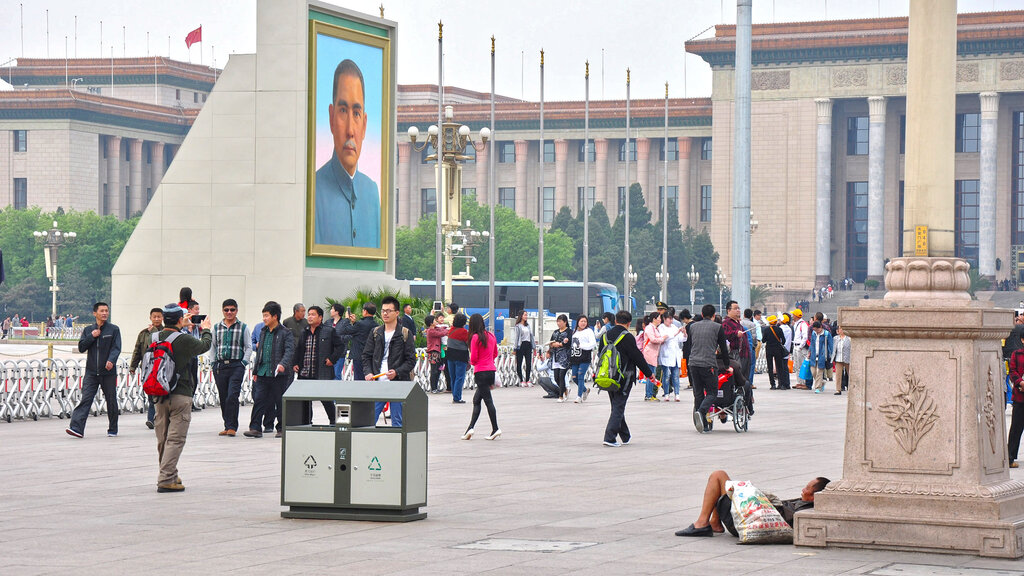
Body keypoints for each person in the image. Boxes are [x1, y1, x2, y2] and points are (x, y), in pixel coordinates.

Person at [314, 59, 380, 248]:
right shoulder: (313, 192)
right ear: (331, 117)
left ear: (365, 125)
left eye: (357, 114)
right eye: (343, 111)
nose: (350, 130)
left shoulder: (372, 193)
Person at [150, 303, 212, 493]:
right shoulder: (184, 340)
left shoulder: (153, 337)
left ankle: (170, 473)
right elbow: (204, 346)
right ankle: (166, 478)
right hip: (180, 394)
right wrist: (206, 330)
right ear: (179, 319)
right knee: (175, 439)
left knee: (163, 438)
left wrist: (180, 325)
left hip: (159, 394)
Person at [674, 470, 831, 537]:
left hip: (747, 522)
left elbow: (781, 515)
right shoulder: (802, 503)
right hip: (752, 516)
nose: (803, 490)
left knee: (718, 476)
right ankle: (714, 523)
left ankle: (703, 523)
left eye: (807, 489)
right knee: (727, 485)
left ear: (815, 496)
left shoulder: (804, 509)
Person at [66, 302, 122, 439]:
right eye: (102, 311)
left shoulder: (113, 330)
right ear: (94, 313)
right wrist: (92, 336)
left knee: (111, 400)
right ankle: (76, 428)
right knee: (86, 399)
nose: (104, 313)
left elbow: (116, 348)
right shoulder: (87, 330)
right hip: (91, 372)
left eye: (106, 311)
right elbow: (81, 347)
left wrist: (111, 360)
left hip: (108, 372)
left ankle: (113, 429)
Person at [600, 310, 654, 447]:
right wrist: (649, 374)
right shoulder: (628, 337)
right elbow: (637, 357)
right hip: (625, 377)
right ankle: (610, 437)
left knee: (616, 405)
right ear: (629, 323)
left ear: (616, 320)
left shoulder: (605, 336)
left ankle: (625, 435)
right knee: (618, 406)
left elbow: (601, 356)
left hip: (608, 376)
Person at [362, 296, 417, 427]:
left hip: (397, 383)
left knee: (397, 422)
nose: (385, 314)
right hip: (377, 382)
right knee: (369, 421)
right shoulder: (375, 332)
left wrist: (397, 372)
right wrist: (368, 372)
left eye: (389, 311)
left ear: (397, 313)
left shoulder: (405, 333)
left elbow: (411, 360)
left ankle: (397, 446)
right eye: (383, 311)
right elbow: (366, 356)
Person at [244, 302, 295, 439]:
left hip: (278, 374)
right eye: (263, 316)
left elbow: (289, 351)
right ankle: (255, 428)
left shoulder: (286, 332)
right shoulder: (263, 331)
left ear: (275, 316)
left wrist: (283, 364)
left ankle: (281, 428)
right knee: (259, 400)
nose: (264, 319)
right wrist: (255, 371)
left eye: (266, 316)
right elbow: (259, 352)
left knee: (279, 401)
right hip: (262, 372)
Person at [685, 304, 732, 433]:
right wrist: (727, 365)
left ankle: (703, 425)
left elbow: (689, 345)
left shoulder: (693, 327)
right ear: (713, 315)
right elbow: (723, 347)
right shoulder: (717, 327)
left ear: (701, 313)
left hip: (693, 364)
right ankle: (700, 411)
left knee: (698, 394)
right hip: (708, 364)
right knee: (712, 392)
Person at [294, 305, 345, 424]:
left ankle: (334, 421)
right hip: (305, 371)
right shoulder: (304, 332)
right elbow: (299, 349)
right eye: (309, 314)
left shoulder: (329, 331)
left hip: (322, 371)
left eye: (313, 314)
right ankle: (306, 422)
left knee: (325, 398)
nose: (310, 317)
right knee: (305, 400)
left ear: (320, 317)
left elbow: (340, 346)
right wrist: (296, 363)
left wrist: (332, 359)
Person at [210, 299, 252, 436]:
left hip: (236, 366)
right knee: (223, 396)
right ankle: (227, 425)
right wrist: (213, 363)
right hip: (220, 366)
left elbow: (248, 347)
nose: (229, 312)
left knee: (232, 395)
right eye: (226, 310)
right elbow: (213, 347)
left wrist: (243, 363)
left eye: (232, 310)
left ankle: (233, 426)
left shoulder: (243, 327)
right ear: (222, 311)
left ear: (236, 310)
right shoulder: (216, 328)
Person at [462, 313, 501, 440]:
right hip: (491, 371)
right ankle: (470, 428)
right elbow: (495, 353)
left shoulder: (474, 337)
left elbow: (473, 358)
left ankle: (495, 428)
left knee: (488, 401)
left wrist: (474, 363)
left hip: (480, 372)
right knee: (476, 400)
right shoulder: (491, 335)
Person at [129, 307, 164, 429]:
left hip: (162, 369)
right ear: (150, 317)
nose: (156, 319)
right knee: (150, 393)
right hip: (148, 369)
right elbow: (137, 350)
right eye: (154, 317)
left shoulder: (165, 332)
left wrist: (154, 331)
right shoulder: (143, 333)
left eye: (159, 316)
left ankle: (158, 418)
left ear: (163, 317)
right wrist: (133, 365)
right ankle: (151, 419)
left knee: (162, 394)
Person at [337, 302, 378, 380]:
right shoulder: (376, 325)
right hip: (371, 356)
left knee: (359, 379)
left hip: (359, 356)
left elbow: (345, 330)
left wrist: (346, 319)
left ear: (365, 311)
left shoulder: (360, 324)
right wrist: (354, 323)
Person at [569, 315, 597, 403]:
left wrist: (582, 346)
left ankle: (579, 396)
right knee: (574, 377)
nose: (583, 323)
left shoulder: (589, 331)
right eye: (581, 321)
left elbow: (593, 344)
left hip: (584, 357)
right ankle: (585, 390)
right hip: (575, 357)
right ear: (578, 322)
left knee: (581, 376)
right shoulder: (575, 332)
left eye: (585, 321)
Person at [641, 312, 668, 401]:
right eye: (659, 318)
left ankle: (650, 394)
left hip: (654, 354)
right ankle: (648, 395)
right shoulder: (649, 328)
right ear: (654, 319)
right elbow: (653, 339)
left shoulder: (655, 328)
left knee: (652, 374)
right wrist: (662, 338)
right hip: (649, 353)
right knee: (651, 375)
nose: (660, 320)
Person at [659, 312, 685, 402]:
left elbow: (681, 339)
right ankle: (666, 393)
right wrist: (676, 333)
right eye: (669, 319)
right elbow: (664, 338)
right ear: (664, 319)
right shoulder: (661, 328)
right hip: (666, 354)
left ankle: (677, 394)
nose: (670, 321)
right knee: (666, 375)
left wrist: (684, 333)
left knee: (675, 376)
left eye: (671, 319)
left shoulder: (674, 327)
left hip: (675, 355)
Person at [445, 313, 470, 403]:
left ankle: (455, 395)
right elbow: (468, 344)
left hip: (450, 356)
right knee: (460, 377)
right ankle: (457, 397)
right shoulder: (464, 332)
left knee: (453, 377)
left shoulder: (451, 330)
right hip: (461, 357)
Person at [1008, 330, 1024, 468]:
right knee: (1016, 429)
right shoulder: (1017, 354)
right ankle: (1010, 457)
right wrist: (1020, 382)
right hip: (1020, 398)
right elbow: (1012, 371)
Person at [549, 314, 572, 402]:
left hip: (565, 357)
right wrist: (552, 345)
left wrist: (561, 344)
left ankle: (561, 396)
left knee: (561, 375)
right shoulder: (555, 332)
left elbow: (570, 342)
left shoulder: (569, 332)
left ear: (565, 322)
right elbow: (551, 341)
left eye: (560, 321)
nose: (558, 323)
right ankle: (565, 389)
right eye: (557, 321)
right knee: (556, 377)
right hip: (555, 356)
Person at [763, 315, 790, 390]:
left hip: (769, 350)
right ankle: (781, 384)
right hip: (778, 349)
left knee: (770, 367)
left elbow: (763, 340)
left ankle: (772, 384)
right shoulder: (779, 329)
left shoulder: (766, 330)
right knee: (779, 367)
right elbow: (783, 341)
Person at [424, 313, 449, 393]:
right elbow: (441, 333)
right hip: (433, 352)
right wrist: (447, 329)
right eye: (435, 320)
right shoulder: (431, 331)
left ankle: (435, 386)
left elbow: (441, 330)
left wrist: (444, 327)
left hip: (437, 352)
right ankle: (433, 388)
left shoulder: (434, 329)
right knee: (434, 370)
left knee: (438, 370)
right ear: (431, 323)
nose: (436, 321)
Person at [807, 321, 834, 394]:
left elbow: (831, 345)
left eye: (817, 329)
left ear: (821, 327)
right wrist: (809, 352)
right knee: (813, 372)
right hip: (813, 354)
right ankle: (821, 383)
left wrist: (832, 355)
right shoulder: (813, 333)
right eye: (815, 329)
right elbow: (812, 343)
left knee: (819, 371)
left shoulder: (826, 334)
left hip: (822, 355)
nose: (816, 331)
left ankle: (817, 387)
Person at [327, 303, 350, 379]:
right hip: (328, 352)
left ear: (337, 312)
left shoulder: (345, 322)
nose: (331, 311)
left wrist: (338, 339)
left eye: (332, 309)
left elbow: (349, 335)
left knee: (336, 374)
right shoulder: (328, 322)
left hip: (339, 353)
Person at [512, 310, 534, 386]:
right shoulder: (518, 326)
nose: (526, 316)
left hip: (528, 345)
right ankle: (521, 380)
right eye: (525, 315)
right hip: (520, 345)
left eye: (526, 315)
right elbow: (516, 338)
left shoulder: (528, 326)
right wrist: (515, 348)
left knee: (528, 363)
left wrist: (533, 347)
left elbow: (531, 337)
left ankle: (528, 380)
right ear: (521, 316)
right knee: (519, 363)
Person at [790, 309, 810, 389]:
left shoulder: (803, 324)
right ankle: (799, 382)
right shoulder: (796, 324)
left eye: (793, 315)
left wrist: (800, 346)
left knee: (802, 365)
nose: (792, 316)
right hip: (795, 346)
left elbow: (805, 336)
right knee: (797, 365)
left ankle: (804, 382)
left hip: (800, 347)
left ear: (796, 316)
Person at [832, 325, 851, 395]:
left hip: (847, 358)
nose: (841, 330)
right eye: (840, 329)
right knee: (838, 374)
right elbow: (834, 348)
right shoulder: (835, 338)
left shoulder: (849, 338)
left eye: (842, 329)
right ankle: (838, 389)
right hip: (838, 358)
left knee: (850, 374)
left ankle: (852, 388)